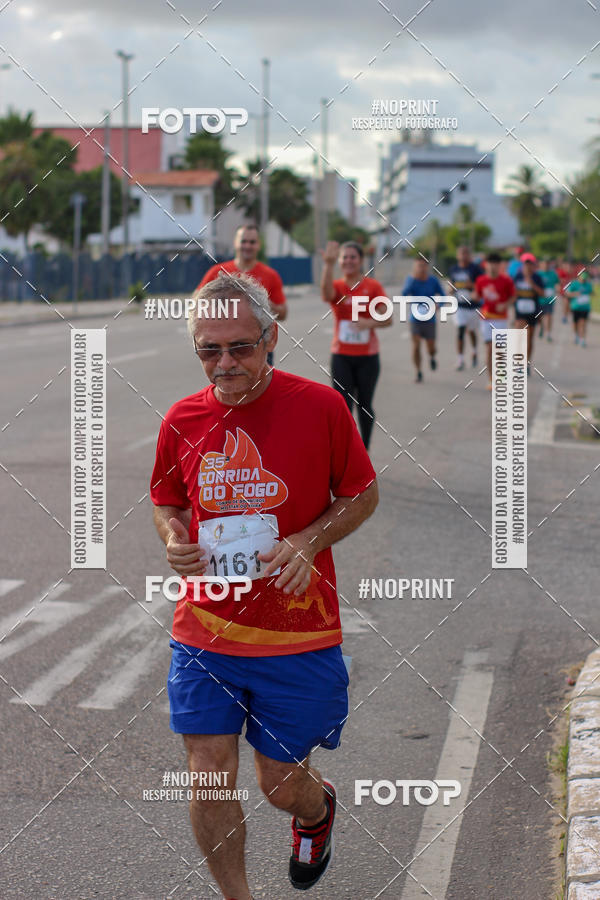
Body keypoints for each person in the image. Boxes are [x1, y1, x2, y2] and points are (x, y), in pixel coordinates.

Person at [151, 272, 378, 900]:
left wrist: (309, 541)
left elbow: (362, 493)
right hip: (205, 630)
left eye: (240, 347)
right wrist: (173, 536)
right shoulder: (182, 419)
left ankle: (315, 810)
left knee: (279, 783)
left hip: (298, 633)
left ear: (271, 337)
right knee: (207, 776)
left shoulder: (321, 407)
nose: (224, 364)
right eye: (209, 350)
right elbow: (167, 499)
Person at [320, 240, 391, 450]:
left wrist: (369, 322)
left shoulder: (373, 287)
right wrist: (328, 265)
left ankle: (364, 450)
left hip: (368, 357)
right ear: (339, 261)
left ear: (360, 261)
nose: (348, 261)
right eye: (345, 257)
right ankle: (344, 451)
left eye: (353, 257)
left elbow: (388, 318)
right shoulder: (338, 287)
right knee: (342, 406)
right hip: (341, 356)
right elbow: (326, 294)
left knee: (364, 405)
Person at [197, 224, 288, 365]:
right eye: (243, 241)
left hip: (258, 345)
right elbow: (196, 302)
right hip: (224, 344)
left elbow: (283, 313)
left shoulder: (270, 275)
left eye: (252, 242)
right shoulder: (218, 272)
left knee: (262, 379)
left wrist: (262, 303)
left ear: (258, 245)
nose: (247, 246)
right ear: (235, 243)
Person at [474, 253, 516, 390]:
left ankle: (501, 377)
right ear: (486, 265)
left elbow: (513, 296)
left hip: (501, 319)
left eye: (495, 264)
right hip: (486, 319)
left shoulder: (506, 281)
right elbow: (477, 296)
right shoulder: (481, 280)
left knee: (499, 350)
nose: (493, 266)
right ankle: (491, 379)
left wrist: (505, 305)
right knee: (489, 349)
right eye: (490, 263)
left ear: (499, 265)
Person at [402, 257, 444, 383]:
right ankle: (418, 371)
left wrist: (438, 305)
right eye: (418, 266)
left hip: (430, 319)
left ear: (427, 267)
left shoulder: (433, 280)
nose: (421, 269)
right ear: (415, 267)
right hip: (415, 318)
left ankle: (432, 356)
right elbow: (404, 294)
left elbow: (443, 295)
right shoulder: (411, 279)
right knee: (416, 346)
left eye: (423, 266)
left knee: (431, 347)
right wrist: (412, 280)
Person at [448, 245, 485, 370]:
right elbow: (451, 284)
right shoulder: (454, 269)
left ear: (469, 255)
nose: (463, 256)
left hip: (473, 306)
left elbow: (482, 285)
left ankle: (474, 351)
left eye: (466, 253)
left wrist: (472, 286)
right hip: (460, 306)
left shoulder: (476, 269)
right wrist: (450, 289)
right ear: (457, 255)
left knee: (472, 331)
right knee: (461, 330)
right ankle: (460, 359)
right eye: (461, 253)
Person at [512, 252, 545, 372]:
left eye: (530, 264)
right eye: (526, 264)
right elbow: (512, 292)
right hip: (520, 312)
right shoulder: (517, 276)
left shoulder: (537, 277)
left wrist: (532, 284)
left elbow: (542, 293)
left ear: (533, 265)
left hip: (532, 311)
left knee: (529, 339)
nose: (528, 266)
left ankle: (526, 363)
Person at [566, 268, 593, 347]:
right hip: (575, 307)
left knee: (583, 323)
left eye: (585, 278)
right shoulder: (574, 284)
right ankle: (576, 335)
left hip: (585, 308)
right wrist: (575, 294)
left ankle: (582, 339)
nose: (583, 280)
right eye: (582, 278)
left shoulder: (588, 284)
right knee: (575, 323)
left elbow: (590, 292)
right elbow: (567, 294)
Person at [537, 258, 560, 341]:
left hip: (550, 299)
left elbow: (557, 283)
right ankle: (541, 327)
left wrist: (557, 288)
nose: (546, 265)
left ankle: (548, 334)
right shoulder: (537, 274)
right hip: (539, 299)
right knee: (539, 316)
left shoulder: (553, 274)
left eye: (547, 264)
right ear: (540, 264)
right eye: (544, 263)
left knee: (549, 316)